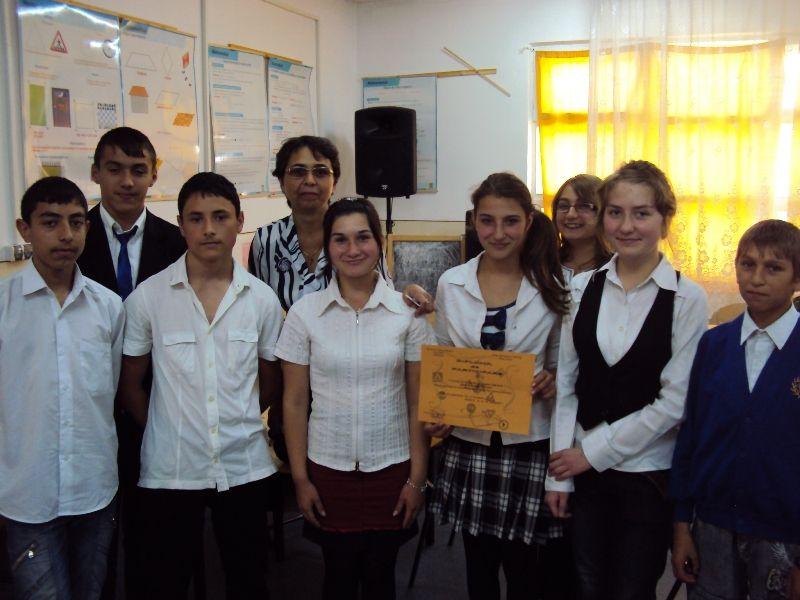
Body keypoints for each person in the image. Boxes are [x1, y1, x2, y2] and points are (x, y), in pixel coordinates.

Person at [546, 160, 709, 600]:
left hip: (646, 475)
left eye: (642, 213)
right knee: (587, 585)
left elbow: (674, 403)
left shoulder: (687, 298)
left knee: (632, 589)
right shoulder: (582, 288)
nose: (627, 226)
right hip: (582, 473)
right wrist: (559, 475)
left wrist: (591, 453)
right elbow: (567, 386)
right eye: (615, 212)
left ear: (665, 219)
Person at [119, 172, 283, 599]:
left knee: (249, 581)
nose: (209, 228)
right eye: (196, 218)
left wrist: (236, 416)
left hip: (243, 462)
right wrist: (167, 426)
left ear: (240, 221)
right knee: (165, 583)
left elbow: (269, 382)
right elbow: (131, 384)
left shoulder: (262, 300)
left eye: (220, 216)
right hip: (171, 467)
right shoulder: (148, 297)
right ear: (181, 225)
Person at [276, 198, 433, 600]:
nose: (352, 249)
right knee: (338, 579)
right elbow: (294, 403)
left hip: (392, 468)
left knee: (381, 579)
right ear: (327, 247)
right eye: (340, 239)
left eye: (363, 237)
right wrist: (300, 479)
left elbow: (418, 403)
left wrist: (417, 479)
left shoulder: (407, 314)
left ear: (378, 242)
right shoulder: (305, 314)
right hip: (328, 470)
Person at [427, 172, 567, 600]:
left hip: (528, 441)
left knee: (524, 570)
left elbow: (563, 364)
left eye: (510, 221)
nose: (498, 233)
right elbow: (444, 358)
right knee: (479, 565)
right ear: (474, 221)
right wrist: (439, 412)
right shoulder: (452, 283)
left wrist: (553, 379)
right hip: (468, 442)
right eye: (487, 221)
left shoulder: (554, 284)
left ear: (528, 221)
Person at [0, 177, 124, 599]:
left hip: (94, 485)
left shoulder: (108, 306)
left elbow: (109, 388)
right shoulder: (5, 305)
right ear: (25, 229)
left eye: (76, 222)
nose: (66, 234)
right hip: (27, 490)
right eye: (50, 222)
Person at [78, 126, 186, 599]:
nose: (126, 181)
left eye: (138, 170)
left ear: (153, 176)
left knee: (151, 536)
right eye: (115, 169)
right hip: (90, 406)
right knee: (92, 540)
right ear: (95, 173)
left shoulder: (176, 241)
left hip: (153, 406)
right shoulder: (72, 236)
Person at [670, 219, 800, 600]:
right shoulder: (714, 345)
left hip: (783, 531)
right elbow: (691, 436)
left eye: (773, 268)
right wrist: (681, 524)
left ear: (796, 278)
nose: (756, 278)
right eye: (748, 264)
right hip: (713, 524)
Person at [551, 174, 611, 283]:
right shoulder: (543, 266)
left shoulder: (616, 268)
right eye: (564, 206)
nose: (571, 214)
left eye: (583, 206)